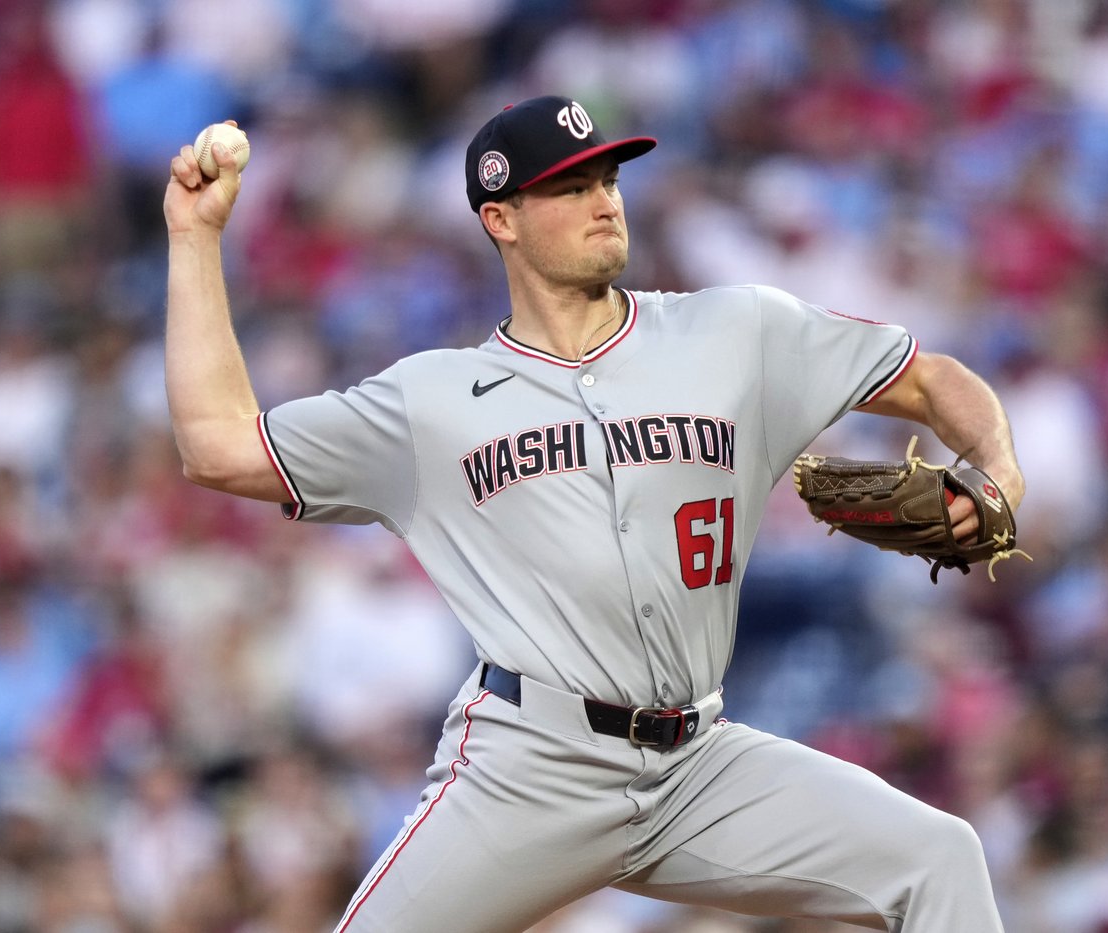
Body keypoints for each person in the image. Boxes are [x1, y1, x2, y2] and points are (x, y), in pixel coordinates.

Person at [164, 95, 1020, 932]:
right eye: (570, 188)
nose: (604, 200)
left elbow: (929, 378)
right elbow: (218, 445)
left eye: (607, 178)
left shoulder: (736, 331)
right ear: (500, 219)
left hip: (697, 761)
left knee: (938, 857)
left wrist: (999, 468)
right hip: (532, 769)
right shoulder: (431, 402)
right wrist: (195, 238)